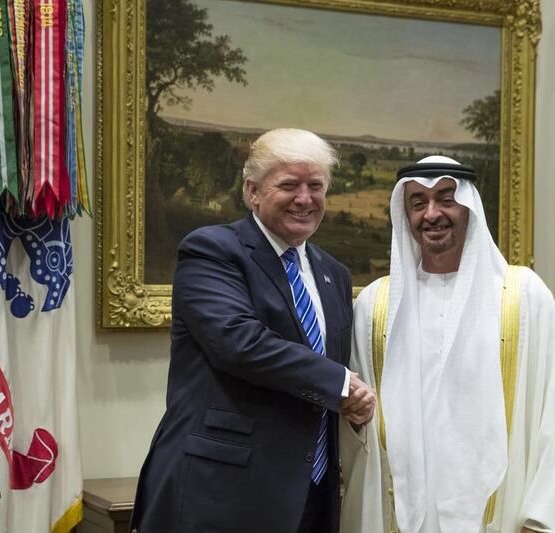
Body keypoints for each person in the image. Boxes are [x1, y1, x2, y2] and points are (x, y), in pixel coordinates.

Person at [130, 128, 376, 533]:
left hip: (312, 496)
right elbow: (239, 343)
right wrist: (342, 385)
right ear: (252, 191)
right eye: (289, 185)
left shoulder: (334, 273)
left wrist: (350, 404)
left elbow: (328, 368)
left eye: (316, 186)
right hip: (221, 491)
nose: (304, 198)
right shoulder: (212, 250)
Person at [340, 156, 555, 533]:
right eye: (418, 203)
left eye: (446, 198)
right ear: (404, 213)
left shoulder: (522, 296)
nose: (432, 214)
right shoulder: (377, 306)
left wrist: (542, 520)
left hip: (500, 517)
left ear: (470, 207)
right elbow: (356, 426)